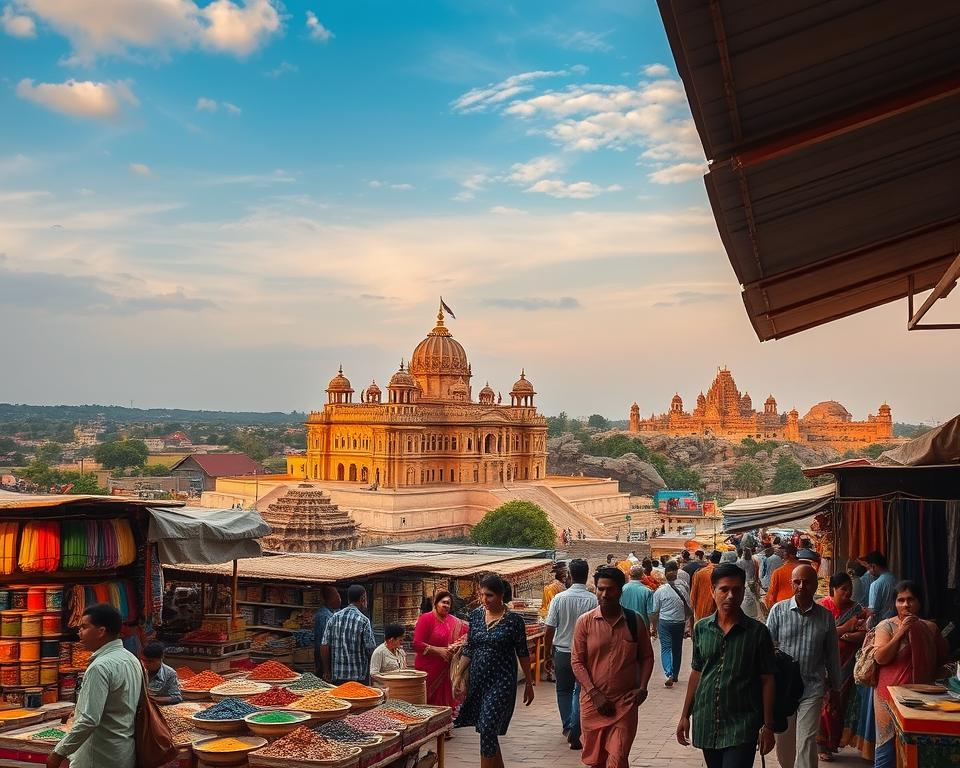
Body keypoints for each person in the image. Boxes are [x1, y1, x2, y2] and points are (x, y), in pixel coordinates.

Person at [676, 563, 776, 768]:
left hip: (743, 722)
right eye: (724, 589)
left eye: (736, 590)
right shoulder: (702, 628)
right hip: (707, 719)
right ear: (713, 591)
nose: (730, 595)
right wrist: (685, 716)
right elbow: (697, 672)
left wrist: (768, 725)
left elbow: (767, 679)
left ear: (742, 592)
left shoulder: (757, 632)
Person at [572, 566, 654, 768]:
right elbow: (577, 661)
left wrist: (642, 687)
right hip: (593, 704)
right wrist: (595, 694)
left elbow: (646, 657)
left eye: (610, 589)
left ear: (620, 591)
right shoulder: (585, 622)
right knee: (597, 762)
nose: (604, 594)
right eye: (600, 589)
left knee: (617, 758)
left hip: (625, 704)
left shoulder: (635, 621)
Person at [454, 574, 534, 768]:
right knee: (484, 730)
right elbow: (470, 648)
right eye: (481, 595)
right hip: (479, 681)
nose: (484, 600)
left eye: (489, 595)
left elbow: (522, 652)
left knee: (488, 727)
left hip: (502, 682)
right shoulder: (475, 616)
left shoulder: (514, 621)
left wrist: (529, 683)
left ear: (501, 595)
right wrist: (458, 675)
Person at [49, 604, 142, 768]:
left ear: (101, 631)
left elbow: (89, 720)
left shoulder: (100, 667)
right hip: (123, 752)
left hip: (98, 756)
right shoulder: (131, 659)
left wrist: (58, 753)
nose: (79, 633)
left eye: (84, 627)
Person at [766, 565, 841, 768]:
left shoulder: (825, 617)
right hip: (784, 689)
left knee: (807, 740)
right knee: (785, 743)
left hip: (812, 687)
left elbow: (832, 655)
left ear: (816, 584)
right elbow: (766, 649)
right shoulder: (778, 611)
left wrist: (836, 688)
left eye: (807, 582)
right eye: (797, 582)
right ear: (791, 584)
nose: (801, 586)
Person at [871, 580, 949, 768]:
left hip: (922, 698)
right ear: (895, 603)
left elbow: (942, 661)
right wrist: (901, 632)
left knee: (918, 750)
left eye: (910, 599)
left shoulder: (931, 628)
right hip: (888, 698)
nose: (906, 604)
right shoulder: (886, 626)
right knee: (886, 751)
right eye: (901, 600)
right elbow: (880, 658)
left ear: (919, 602)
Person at [543, 558, 597, 751]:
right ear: (587, 574)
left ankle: (569, 726)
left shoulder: (559, 599)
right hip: (586, 654)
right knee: (580, 690)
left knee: (563, 690)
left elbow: (549, 628)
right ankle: (576, 727)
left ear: (569, 576)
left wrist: (547, 653)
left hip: (563, 651)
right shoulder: (593, 600)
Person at [816, 572, 866, 762]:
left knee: (841, 706)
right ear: (833, 590)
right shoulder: (822, 607)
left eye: (850, 589)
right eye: (843, 589)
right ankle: (822, 744)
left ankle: (834, 743)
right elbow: (820, 633)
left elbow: (864, 634)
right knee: (825, 706)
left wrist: (844, 635)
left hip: (848, 666)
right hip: (824, 664)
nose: (847, 592)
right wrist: (846, 629)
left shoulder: (857, 609)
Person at [413, 590, 467, 707]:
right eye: (444, 602)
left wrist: (458, 645)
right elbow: (417, 644)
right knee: (427, 705)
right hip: (428, 669)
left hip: (446, 669)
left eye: (449, 603)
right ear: (436, 603)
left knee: (446, 706)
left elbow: (468, 633)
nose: (446, 605)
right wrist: (439, 651)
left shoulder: (454, 621)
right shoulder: (425, 619)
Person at [320, 584, 376, 685]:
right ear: (362, 599)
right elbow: (370, 649)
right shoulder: (364, 621)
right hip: (358, 677)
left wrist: (326, 671)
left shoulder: (333, 618)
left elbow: (324, 646)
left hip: (338, 676)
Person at [650, 561, 692, 687]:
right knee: (677, 649)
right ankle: (676, 675)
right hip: (679, 622)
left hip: (665, 622)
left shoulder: (659, 591)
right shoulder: (684, 590)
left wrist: (654, 626)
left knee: (666, 648)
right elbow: (689, 607)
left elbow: (655, 611)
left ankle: (669, 673)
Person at [862, 551, 896, 627]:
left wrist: (865, 611)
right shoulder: (896, 579)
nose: (869, 572)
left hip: (881, 626)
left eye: (868, 568)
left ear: (873, 566)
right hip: (897, 623)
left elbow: (872, 612)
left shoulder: (875, 584)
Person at [313, 586, 341, 676]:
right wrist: (326, 669)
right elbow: (324, 644)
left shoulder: (332, 613)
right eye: (337, 595)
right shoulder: (324, 616)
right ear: (330, 599)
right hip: (325, 662)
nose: (340, 599)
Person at [143, 640, 182, 705]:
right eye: (145, 661)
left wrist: (153, 699)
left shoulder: (169, 673)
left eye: (151, 661)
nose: (147, 664)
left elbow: (177, 697)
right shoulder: (141, 669)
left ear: (161, 658)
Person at [690, 550, 721, 621]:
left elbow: (693, 595)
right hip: (718, 611)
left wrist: (691, 616)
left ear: (709, 560)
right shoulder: (724, 574)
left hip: (702, 611)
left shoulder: (700, 573)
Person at [736, 546, 762, 619]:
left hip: (746, 582)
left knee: (746, 599)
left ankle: (747, 615)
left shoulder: (741, 562)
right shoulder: (752, 561)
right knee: (753, 599)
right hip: (752, 581)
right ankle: (754, 614)